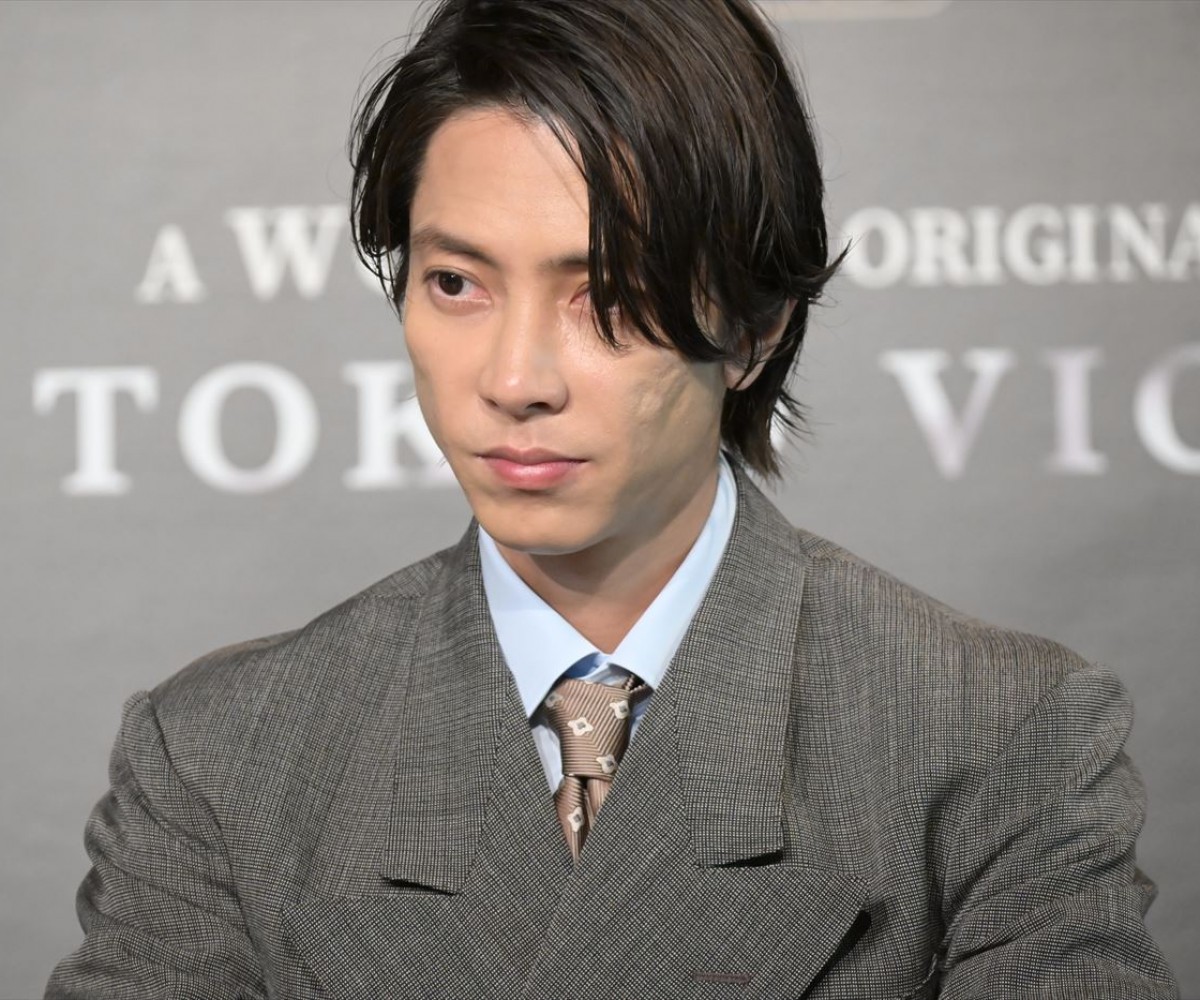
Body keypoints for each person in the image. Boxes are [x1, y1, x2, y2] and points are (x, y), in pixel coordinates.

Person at [47, 1, 1179, 997]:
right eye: (455, 283)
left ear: (753, 328)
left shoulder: (994, 738)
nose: (515, 379)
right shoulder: (222, 758)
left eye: (608, 296)